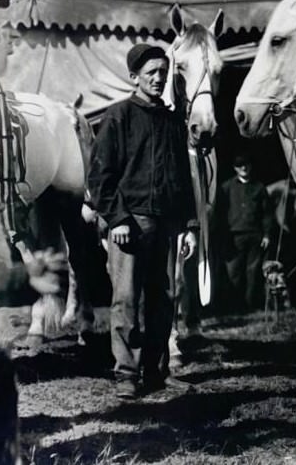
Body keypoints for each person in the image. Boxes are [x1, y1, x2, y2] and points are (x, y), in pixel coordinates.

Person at [88, 43, 198, 399]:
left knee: (163, 298)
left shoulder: (171, 122)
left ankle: (157, 371)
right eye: (150, 72)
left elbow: (183, 178)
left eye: (162, 72)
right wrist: (117, 219)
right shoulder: (119, 116)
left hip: (166, 223)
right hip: (131, 225)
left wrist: (190, 226)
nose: (158, 78)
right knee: (126, 299)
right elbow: (100, 176)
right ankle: (126, 374)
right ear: (133, 77)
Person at [216, 152, 275, 312]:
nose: (244, 168)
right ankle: (234, 308)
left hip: (255, 236)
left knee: (253, 272)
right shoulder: (226, 188)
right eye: (240, 165)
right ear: (235, 168)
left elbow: (267, 214)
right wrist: (223, 235)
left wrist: (267, 234)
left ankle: (250, 307)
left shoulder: (259, 188)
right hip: (234, 237)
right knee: (233, 272)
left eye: (246, 165)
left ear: (250, 166)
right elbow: (220, 214)